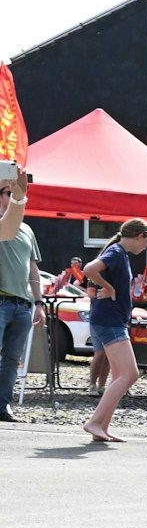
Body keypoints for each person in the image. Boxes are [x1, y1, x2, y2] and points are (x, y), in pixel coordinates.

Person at [80, 219, 147, 442]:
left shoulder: (119, 253)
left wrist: (109, 287)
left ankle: (101, 427)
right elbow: (89, 269)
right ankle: (94, 422)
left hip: (111, 320)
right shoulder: (116, 251)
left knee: (118, 376)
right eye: (146, 242)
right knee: (130, 374)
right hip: (110, 321)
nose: (144, 248)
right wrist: (110, 288)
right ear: (140, 236)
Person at [0, 171, 40, 422]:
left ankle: (2, 406)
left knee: (12, 359)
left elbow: (32, 267)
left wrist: (39, 302)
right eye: (8, 192)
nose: (14, 195)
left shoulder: (27, 229)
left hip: (21, 304)